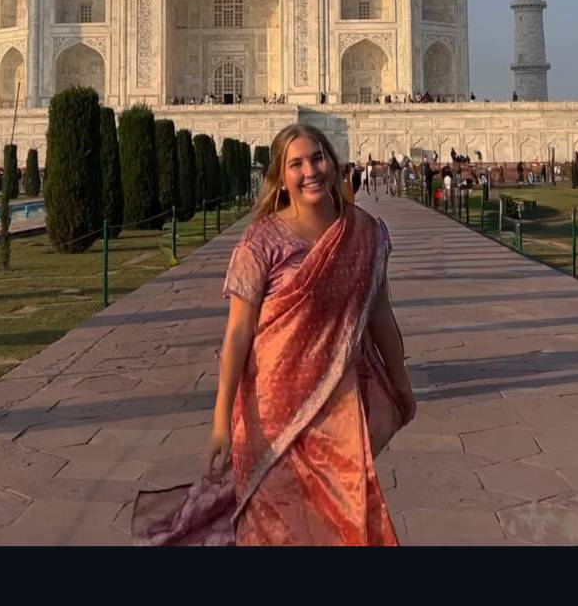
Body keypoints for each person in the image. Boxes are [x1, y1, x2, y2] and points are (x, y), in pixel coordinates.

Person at [141, 125, 415, 547]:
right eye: (296, 164)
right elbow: (238, 334)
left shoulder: (364, 233)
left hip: (336, 411)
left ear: (333, 162)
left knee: (338, 521)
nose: (310, 171)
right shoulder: (262, 240)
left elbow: (380, 314)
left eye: (317, 158)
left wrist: (401, 383)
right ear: (281, 178)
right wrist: (220, 421)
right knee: (274, 526)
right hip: (269, 411)